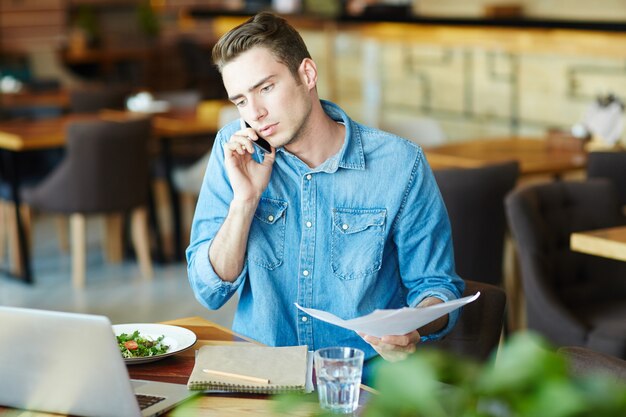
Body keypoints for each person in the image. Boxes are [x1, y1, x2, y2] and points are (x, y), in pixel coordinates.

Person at [186, 12, 464, 378]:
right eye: (240, 101)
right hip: (263, 377)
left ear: (307, 74)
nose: (255, 113)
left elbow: (435, 286)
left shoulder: (400, 164)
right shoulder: (234, 151)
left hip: (365, 380)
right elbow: (209, 291)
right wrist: (245, 201)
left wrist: (412, 328)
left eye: (266, 88)